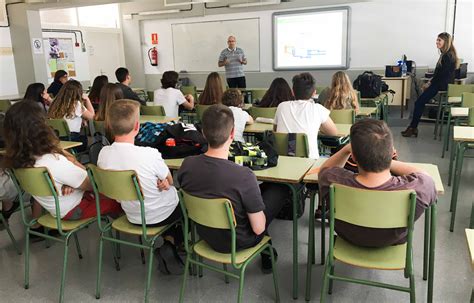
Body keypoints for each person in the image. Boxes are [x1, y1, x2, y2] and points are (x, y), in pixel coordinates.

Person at [177, 104, 284, 273]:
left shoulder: (187, 165)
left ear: (203, 133)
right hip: (239, 241)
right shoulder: (243, 175)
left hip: (204, 235)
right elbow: (258, 229)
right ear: (233, 133)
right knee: (279, 189)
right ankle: (267, 253)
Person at [317, 119, 437, 247]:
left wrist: (347, 149)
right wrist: (383, 157)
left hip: (348, 238)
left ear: (354, 157)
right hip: (391, 241)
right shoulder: (418, 188)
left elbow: (324, 170)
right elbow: (425, 176)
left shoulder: (332, 180)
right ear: (391, 153)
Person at [2, 101, 122, 225]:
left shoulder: (18, 161)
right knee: (119, 198)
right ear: (41, 127)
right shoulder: (52, 160)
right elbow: (94, 185)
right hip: (76, 209)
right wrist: (74, 163)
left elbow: (62, 179)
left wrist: (72, 184)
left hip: (59, 208)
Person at [98, 99, 183, 273]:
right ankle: (171, 243)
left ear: (109, 125)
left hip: (131, 215)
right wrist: (164, 182)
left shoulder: (103, 154)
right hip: (162, 213)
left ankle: (170, 243)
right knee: (186, 205)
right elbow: (171, 180)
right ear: (137, 126)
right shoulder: (149, 154)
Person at [402, 32, 459, 137]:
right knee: (420, 101)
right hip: (438, 83)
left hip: (441, 85)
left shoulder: (448, 56)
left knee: (419, 103)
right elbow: (438, 73)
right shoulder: (445, 54)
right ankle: (413, 127)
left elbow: (441, 76)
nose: (436, 42)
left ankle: (413, 128)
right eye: (437, 40)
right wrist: (429, 82)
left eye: (439, 40)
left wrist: (429, 84)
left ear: (445, 42)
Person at [274, 72, 338, 159]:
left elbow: (275, 130)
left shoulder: (282, 106)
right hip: (310, 162)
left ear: (292, 92)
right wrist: (318, 127)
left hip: (283, 160)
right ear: (314, 93)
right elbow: (333, 132)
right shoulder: (318, 109)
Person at [48, 80, 95, 152]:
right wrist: (87, 99)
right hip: (73, 140)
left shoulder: (55, 103)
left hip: (56, 139)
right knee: (93, 141)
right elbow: (92, 116)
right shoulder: (75, 104)